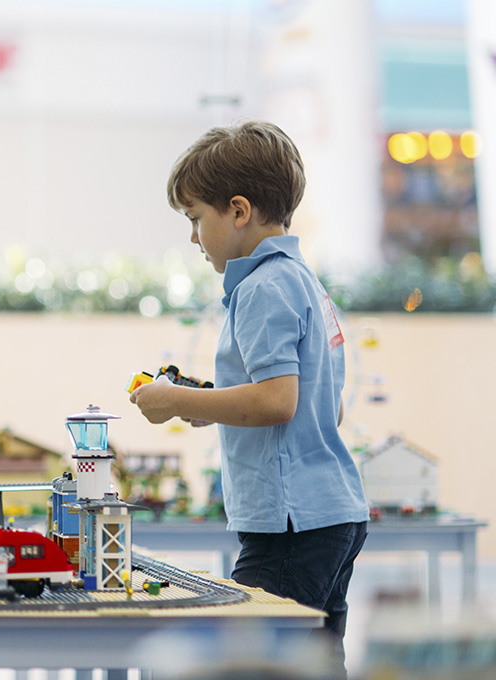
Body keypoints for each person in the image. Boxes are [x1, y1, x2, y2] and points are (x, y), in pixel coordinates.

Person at [129, 120, 369, 677]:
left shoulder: (262, 286)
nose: (194, 238)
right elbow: (321, 407)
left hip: (289, 526)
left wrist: (178, 401)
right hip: (330, 514)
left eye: (196, 218)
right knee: (316, 664)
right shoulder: (304, 281)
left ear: (238, 211)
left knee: (249, 665)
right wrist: (211, 403)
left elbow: (277, 403)